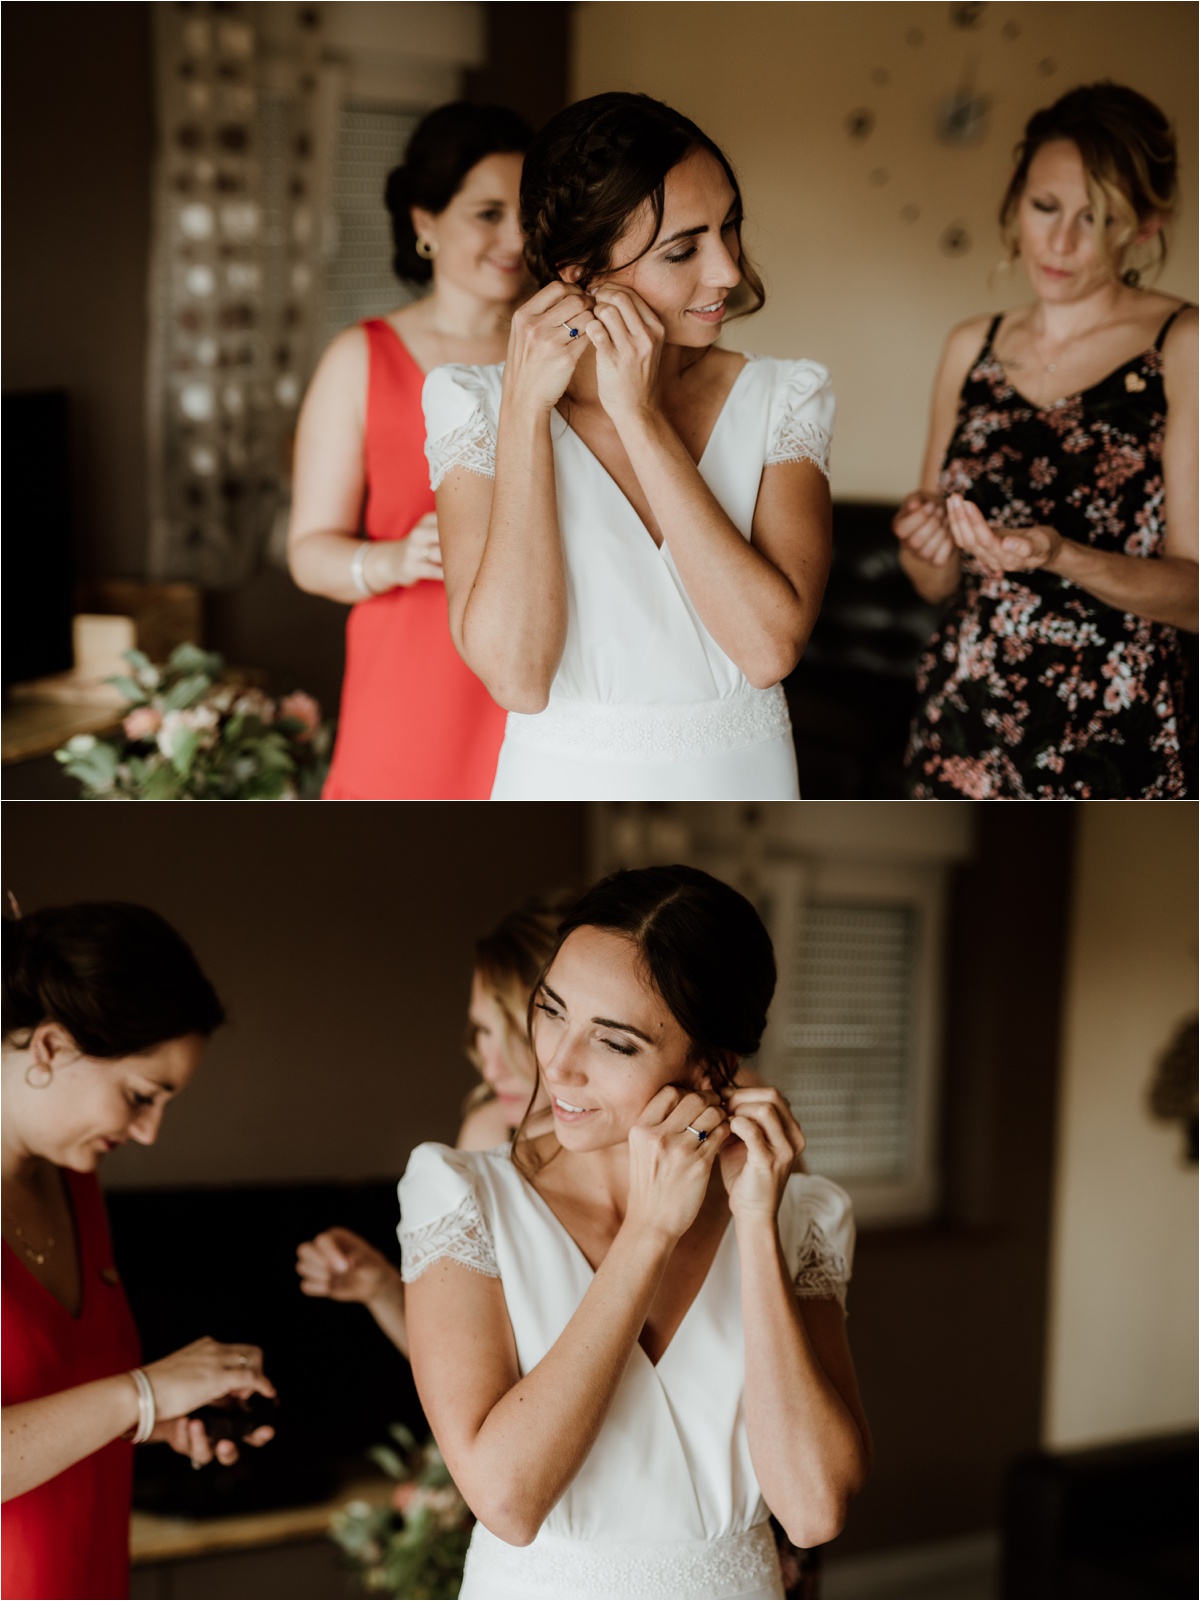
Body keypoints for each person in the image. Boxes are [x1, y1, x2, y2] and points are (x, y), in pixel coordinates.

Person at [398, 865, 871, 1601]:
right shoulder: (460, 1195)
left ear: (713, 1063)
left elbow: (812, 1511)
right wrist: (648, 1232)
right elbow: (507, 1499)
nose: (557, 1063)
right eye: (551, 1009)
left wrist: (753, 1221)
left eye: (613, 1043)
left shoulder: (799, 1215)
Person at [425, 93, 834, 800]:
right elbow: (518, 678)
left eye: (729, 227)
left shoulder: (785, 398)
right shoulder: (471, 405)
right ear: (580, 269)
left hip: (744, 776)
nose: (729, 271)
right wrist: (524, 412)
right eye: (684, 249)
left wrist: (640, 418)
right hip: (554, 779)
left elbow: (768, 649)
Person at [896, 83, 1197, 799]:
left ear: (1145, 225)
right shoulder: (971, 345)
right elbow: (936, 584)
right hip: (964, 718)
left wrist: (1060, 554)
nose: (1060, 243)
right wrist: (923, 543)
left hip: (1115, 728)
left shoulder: (1182, 347)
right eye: (1045, 207)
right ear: (1015, 194)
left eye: (1096, 218)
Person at [2, 903, 277, 1601]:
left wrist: (154, 1420)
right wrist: (143, 1392)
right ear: (52, 1047)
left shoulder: (76, 1183)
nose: (149, 1131)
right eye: (138, 1096)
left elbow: (51, 1409)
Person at [288, 102, 534, 799]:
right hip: (412, 688)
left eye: (527, 212)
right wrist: (392, 558)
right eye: (488, 213)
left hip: (543, 663)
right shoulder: (360, 358)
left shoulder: (564, 347)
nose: (516, 236)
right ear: (426, 221)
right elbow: (308, 549)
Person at [294, 894, 566, 1354]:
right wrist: (381, 1287)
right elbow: (463, 1374)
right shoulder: (488, 1136)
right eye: (482, 1031)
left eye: (517, 1036)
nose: (491, 1067)